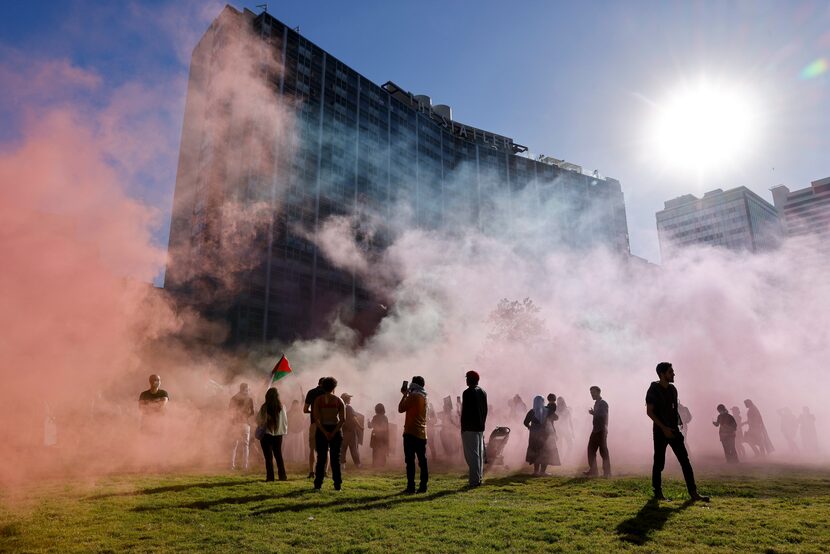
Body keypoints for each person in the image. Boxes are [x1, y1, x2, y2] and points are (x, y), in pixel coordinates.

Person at [646, 362, 709, 502]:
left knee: (685, 461)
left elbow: (674, 411)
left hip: (674, 431)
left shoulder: (673, 390)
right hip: (660, 432)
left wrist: (676, 428)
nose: (673, 374)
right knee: (659, 463)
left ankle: (694, 493)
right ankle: (658, 493)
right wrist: (664, 428)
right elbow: (649, 412)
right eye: (670, 372)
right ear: (662, 374)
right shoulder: (653, 389)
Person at [312, 377, 345, 491]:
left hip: (321, 430)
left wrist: (325, 432)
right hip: (335, 430)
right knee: (336, 459)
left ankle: (318, 484)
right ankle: (337, 485)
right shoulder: (339, 400)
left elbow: (316, 419)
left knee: (321, 458)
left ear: (323, 386)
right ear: (334, 387)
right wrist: (333, 432)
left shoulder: (318, 400)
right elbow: (342, 420)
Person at [398, 376, 428, 493]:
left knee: (410, 461)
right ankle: (423, 486)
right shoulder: (425, 396)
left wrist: (404, 394)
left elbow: (400, 408)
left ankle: (411, 487)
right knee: (423, 461)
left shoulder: (413, 396)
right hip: (422, 433)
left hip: (411, 433)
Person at [460, 370, 488, 487]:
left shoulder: (467, 393)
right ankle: (479, 477)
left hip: (469, 428)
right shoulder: (483, 392)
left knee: (472, 455)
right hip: (480, 427)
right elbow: (485, 410)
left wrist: (463, 426)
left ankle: (474, 481)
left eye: (467, 378)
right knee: (479, 454)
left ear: (470, 380)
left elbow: (466, 412)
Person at [257, 387, 288, 481]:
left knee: (268, 457)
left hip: (266, 434)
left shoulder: (264, 407)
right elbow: (285, 421)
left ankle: (270, 477)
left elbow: (259, 420)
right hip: (278, 435)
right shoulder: (282, 406)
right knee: (279, 456)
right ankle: (282, 476)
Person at [523, 395, 559, 475]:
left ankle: (536, 471)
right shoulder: (547, 411)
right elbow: (556, 417)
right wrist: (552, 402)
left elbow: (525, 422)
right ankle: (542, 472)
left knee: (536, 453)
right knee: (545, 453)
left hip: (534, 436)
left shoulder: (532, 412)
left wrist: (530, 427)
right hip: (545, 435)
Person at [584, 386, 611, 477]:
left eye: (593, 393)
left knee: (603, 451)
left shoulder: (603, 403)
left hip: (601, 430)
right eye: (591, 393)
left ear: (599, 392)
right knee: (591, 450)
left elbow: (603, 415)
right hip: (596, 430)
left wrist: (593, 413)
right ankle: (594, 471)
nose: (592, 394)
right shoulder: (597, 403)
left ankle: (607, 472)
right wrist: (594, 413)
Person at [303, 378, 326, 478]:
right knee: (326, 449)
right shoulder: (329, 393)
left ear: (318, 383)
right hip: (326, 424)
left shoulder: (311, 392)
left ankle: (312, 472)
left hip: (314, 423)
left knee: (312, 448)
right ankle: (324, 472)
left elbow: (305, 410)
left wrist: (312, 412)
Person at [229, 383, 254, 470]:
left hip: (236, 424)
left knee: (234, 445)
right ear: (245, 389)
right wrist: (246, 415)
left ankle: (231, 465)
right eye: (247, 389)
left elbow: (230, 411)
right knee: (245, 445)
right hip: (245, 423)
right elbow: (252, 412)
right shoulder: (249, 399)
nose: (248, 391)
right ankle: (245, 466)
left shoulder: (233, 398)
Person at [340, 393, 363, 469]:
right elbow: (354, 419)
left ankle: (342, 465)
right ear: (346, 399)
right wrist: (360, 427)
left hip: (343, 431)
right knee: (354, 449)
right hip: (351, 431)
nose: (350, 399)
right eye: (349, 398)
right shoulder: (349, 408)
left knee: (342, 449)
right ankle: (358, 464)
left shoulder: (339, 407)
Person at [555, 396, 575, 460]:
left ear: (563, 402)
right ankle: (560, 459)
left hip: (566, 430)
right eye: (558, 401)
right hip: (559, 430)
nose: (559, 403)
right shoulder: (556, 410)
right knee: (559, 446)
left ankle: (566, 459)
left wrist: (572, 431)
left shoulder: (567, 410)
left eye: (561, 401)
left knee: (570, 445)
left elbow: (570, 421)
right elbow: (554, 421)